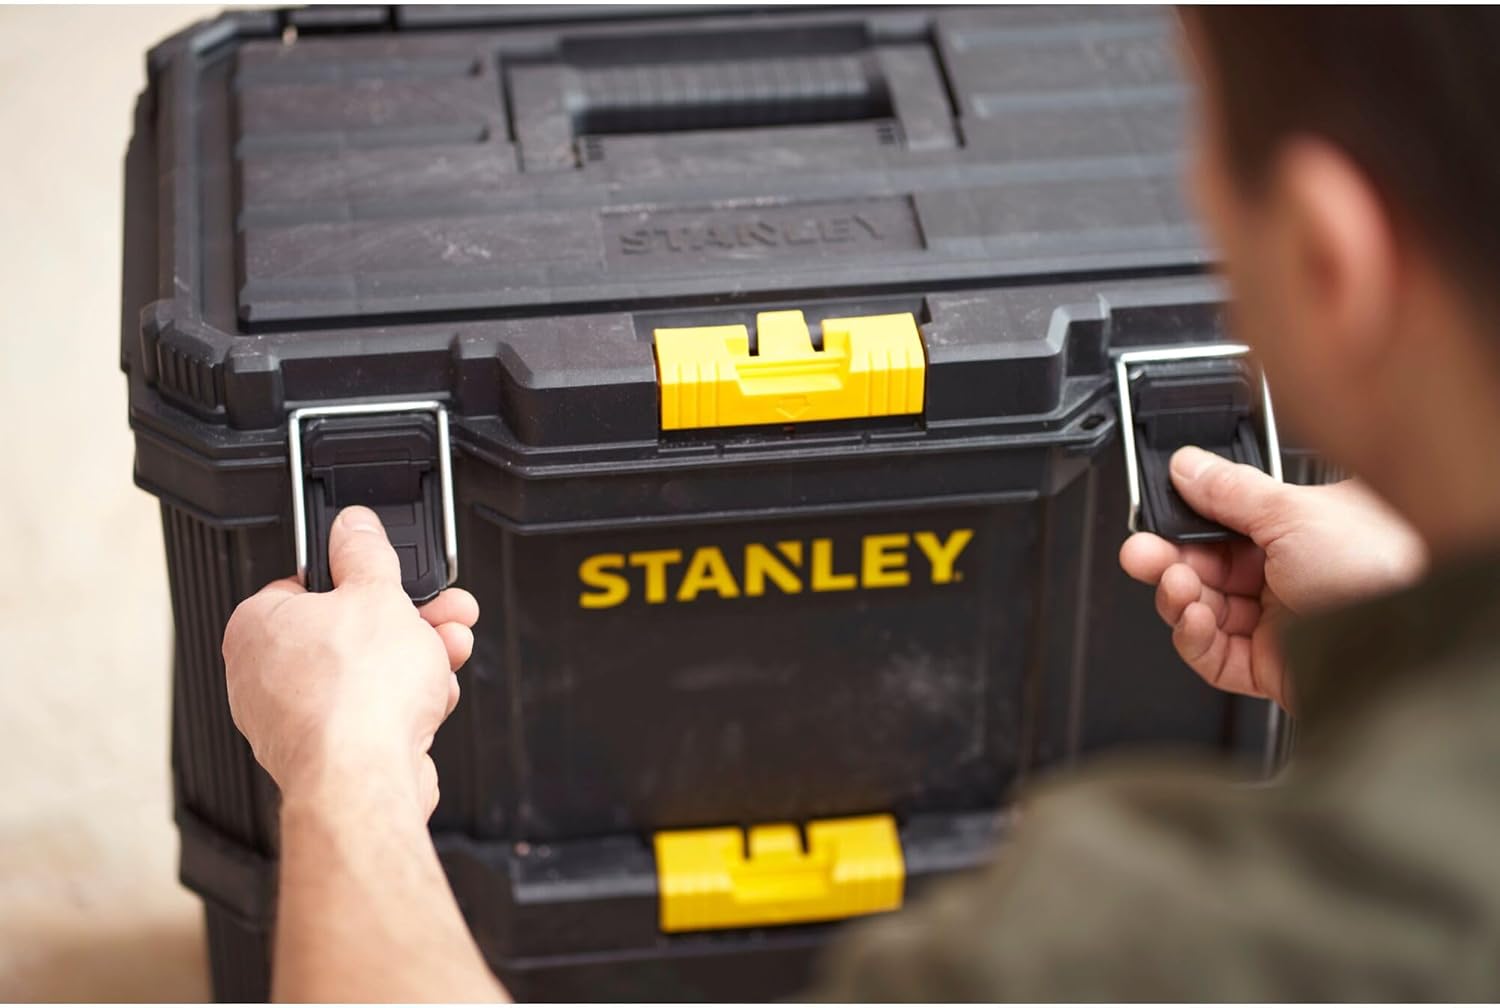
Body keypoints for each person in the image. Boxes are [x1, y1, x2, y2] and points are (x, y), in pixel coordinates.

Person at [221, 7, 1500, 1000]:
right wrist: (1401, 625)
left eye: (1205, 155)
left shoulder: (1121, 938)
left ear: (1334, 268)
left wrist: (343, 769)